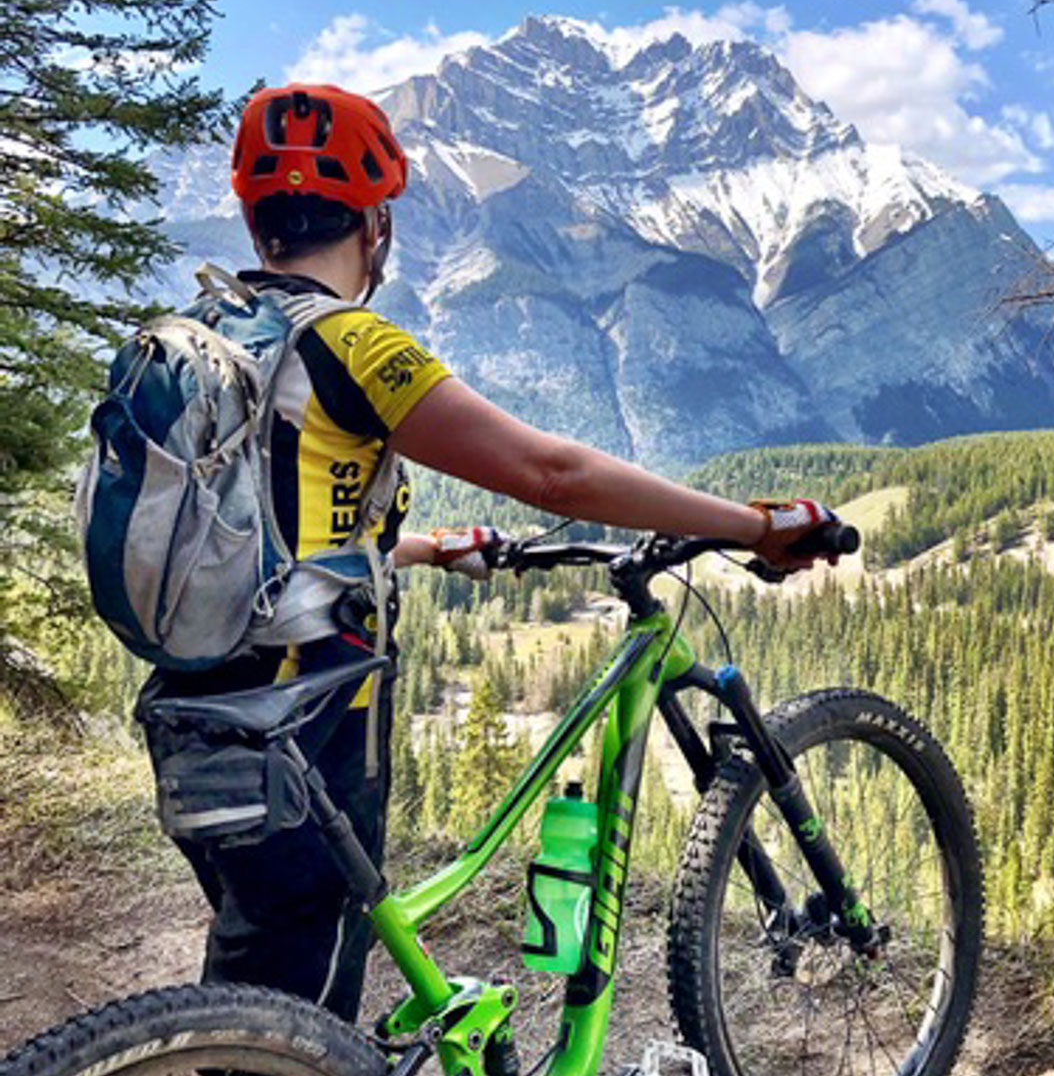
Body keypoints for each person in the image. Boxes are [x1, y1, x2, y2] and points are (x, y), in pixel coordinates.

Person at [139, 83, 838, 1025]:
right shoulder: (351, 343)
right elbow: (551, 472)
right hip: (305, 727)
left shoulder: (210, 337)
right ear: (376, 225)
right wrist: (755, 526)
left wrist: (422, 548)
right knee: (296, 1022)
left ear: (254, 217)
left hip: (196, 718)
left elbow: (260, 533)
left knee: (262, 965)